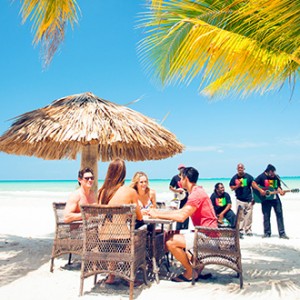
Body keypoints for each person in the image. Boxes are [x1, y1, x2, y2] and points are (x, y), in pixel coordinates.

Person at [147, 167, 218, 282]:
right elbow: (181, 212)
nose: (179, 181)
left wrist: (157, 215)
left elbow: (181, 217)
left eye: (181, 178)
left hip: (208, 237)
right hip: (206, 233)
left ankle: (190, 272)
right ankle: (196, 265)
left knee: (170, 242)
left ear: (186, 178)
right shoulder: (196, 191)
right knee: (170, 234)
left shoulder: (196, 194)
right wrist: (158, 213)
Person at [97, 158, 144, 284]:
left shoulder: (101, 192)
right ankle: (129, 276)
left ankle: (111, 276)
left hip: (102, 240)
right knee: (139, 237)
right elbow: (139, 217)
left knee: (113, 240)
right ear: (124, 173)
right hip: (122, 241)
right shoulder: (130, 192)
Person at [252, 164, 289, 239]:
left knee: (279, 215)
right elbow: (253, 183)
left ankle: (282, 233)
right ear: (268, 172)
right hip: (266, 200)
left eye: (274, 172)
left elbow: (278, 187)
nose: (273, 174)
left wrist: (281, 192)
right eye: (272, 173)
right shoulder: (262, 176)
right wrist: (260, 190)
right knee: (266, 216)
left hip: (275, 198)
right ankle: (267, 233)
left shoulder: (276, 177)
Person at [229, 163, 255, 237]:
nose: (240, 169)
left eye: (241, 168)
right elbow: (231, 187)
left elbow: (254, 187)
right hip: (240, 199)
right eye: (239, 168)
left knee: (249, 216)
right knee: (240, 216)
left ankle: (248, 230)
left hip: (249, 199)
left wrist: (254, 198)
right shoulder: (234, 178)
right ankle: (240, 230)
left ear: (244, 168)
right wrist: (238, 185)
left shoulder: (249, 177)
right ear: (237, 169)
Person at [169, 164, 189, 230]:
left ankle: (186, 229)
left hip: (186, 197)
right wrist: (177, 191)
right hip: (179, 197)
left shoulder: (187, 177)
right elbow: (170, 187)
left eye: (183, 168)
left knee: (186, 213)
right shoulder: (175, 178)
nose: (182, 169)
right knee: (179, 212)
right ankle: (178, 229)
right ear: (178, 169)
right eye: (181, 168)